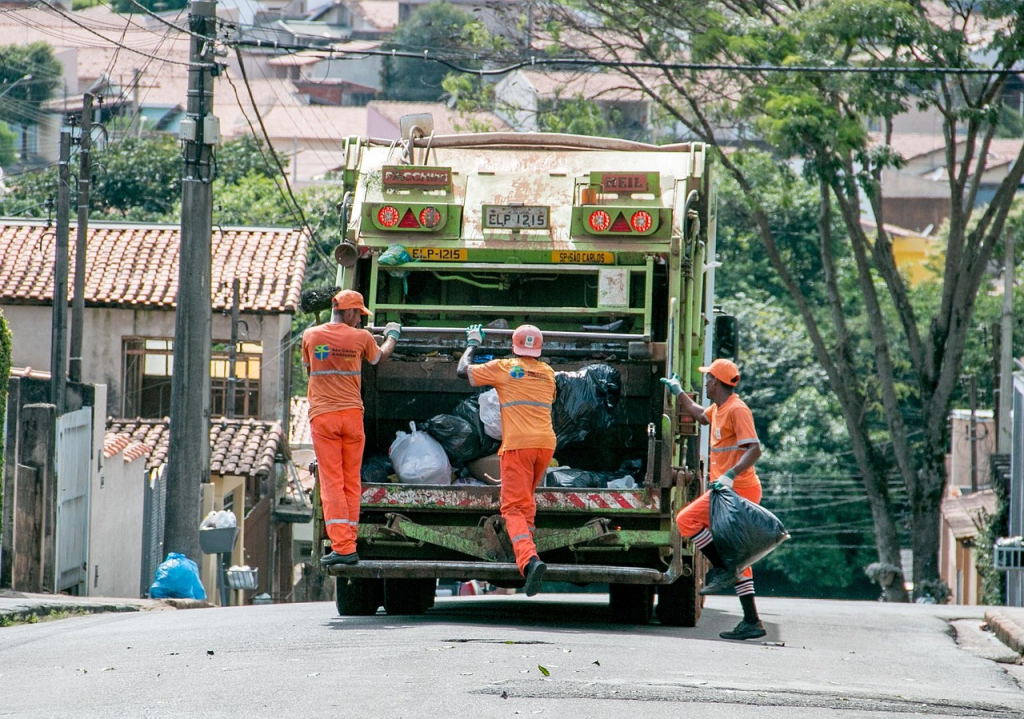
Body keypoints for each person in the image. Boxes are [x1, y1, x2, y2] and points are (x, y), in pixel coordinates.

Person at [661, 358, 766, 641]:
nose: (705, 382)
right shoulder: (719, 408)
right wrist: (678, 392)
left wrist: (730, 475)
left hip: (738, 490)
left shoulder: (737, 409)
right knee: (740, 558)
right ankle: (751, 620)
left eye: (708, 379)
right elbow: (699, 415)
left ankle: (722, 570)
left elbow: (754, 450)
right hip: (727, 491)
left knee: (686, 519)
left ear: (717, 382)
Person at [302, 290, 401, 567]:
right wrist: (393, 335)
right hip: (352, 418)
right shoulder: (362, 338)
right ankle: (349, 541)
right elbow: (379, 359)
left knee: (332, 483)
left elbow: (310, 371)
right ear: (346, 312)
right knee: (351, 482)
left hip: (324, 418)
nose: (359, 319)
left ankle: (343, 546)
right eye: (358, 313)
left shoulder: (311, 336)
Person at [456, 323, 555, 596]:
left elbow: (462, 371)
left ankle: (528, 561)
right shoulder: (548, 373)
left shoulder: (505, 367)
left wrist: (473, 343)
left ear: (514, 346)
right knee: (527, 502)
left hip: (518, 446)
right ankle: (526, 549)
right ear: (539, 348)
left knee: (511, 508)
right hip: (545, 445)